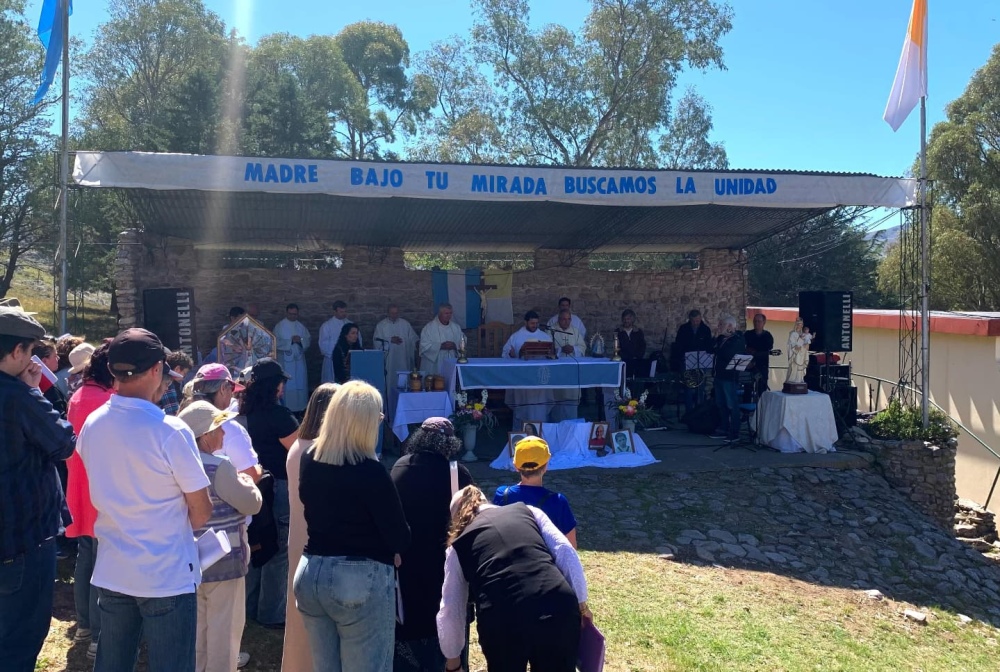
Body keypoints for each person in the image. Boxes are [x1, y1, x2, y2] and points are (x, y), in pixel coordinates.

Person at [77, 328, 213, 672]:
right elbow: (201, 513)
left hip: (114, 568)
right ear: (156, 370)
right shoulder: (171, 431)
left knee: (112, 663)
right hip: (165, 574)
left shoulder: (92, 423)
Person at [293, 380, 411, 672]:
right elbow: (399, 537)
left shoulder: (310, 458)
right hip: (358, 577)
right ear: (366, 423)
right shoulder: (370, 471)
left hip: (311, 570)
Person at [437, 486, 592, 672]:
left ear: (456, 519)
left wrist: (453, 663)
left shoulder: (458, 546)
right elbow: (566, 552)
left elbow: (451, 608)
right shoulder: (529, 511)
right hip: (556, 604)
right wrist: (582, 605)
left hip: (503, 619)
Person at [0, 307, 76, 672]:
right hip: (21, 541)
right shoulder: (17, 396)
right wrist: (34, 391)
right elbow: (62, 443)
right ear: (16, 352)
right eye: (30, 352)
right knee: (19, 639)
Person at [177, 401, 262, 672]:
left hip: (188, 558)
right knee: (224, 633)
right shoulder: (219, 467)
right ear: (204, 436)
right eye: (218, 428)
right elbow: (252, 504)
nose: (224, 434)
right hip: (224, 558)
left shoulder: (173, 465)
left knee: (197, 632)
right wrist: (248, 483)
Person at [390, 417, 474, 672]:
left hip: (408, 563)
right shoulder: (458, 473)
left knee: (410, 625)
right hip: (444, 564)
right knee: (448, 618)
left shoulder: (399, 468)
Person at [282, 383, 339, 672]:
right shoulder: (320, 450)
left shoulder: (298, 446)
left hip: (299, 534)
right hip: (316, 536)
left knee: (299, 610)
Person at [240, 357, 299, 629]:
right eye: (281, 382)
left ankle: (250, 608)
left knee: (256, 544)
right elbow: (298, 451)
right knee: (278, 550)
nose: (283, 387)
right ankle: (271, 613)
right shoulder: (278, 415)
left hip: (251, 485)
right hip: (278, 486)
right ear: (274, 386)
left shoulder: (244, 413)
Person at [65, 340, 114, 660]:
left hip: (78, 486)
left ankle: (84, 623)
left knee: (86, 557)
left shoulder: (79, 396)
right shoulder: (107, 401)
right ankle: (98, 635)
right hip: (99, 488)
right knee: (101, 563)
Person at [493, 437, 577, 548]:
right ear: (546, 466)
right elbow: (571, 547)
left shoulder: (502, 495)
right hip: (544, 564)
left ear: (516, 466)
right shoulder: (558, 501)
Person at [186, 363, 261, 484]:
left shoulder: (182, 420)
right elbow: (251, 475)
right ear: (222, 389)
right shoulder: (229, 428)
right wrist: (260, 469)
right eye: (231, 389)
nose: (232, 394)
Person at [502, 311, 554, 428]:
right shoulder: (516, 336)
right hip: (522, 378)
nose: (534, 325)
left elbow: (552, 355)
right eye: (531, 323)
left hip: (540, 377)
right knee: (522, 408)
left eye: (536, 323)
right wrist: (511, 354)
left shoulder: (545, 337)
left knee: (540, 407)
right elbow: (505, 352)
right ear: (526, 322)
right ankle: (521, 433)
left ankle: (541, 432)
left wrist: (549, 354)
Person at [711, 315, 746, 443]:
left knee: (732, 404)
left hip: (729, 377)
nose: (719, 327)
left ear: (730, 326)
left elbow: (728, 354)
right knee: (721, 404)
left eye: (722, 325)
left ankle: (734, 432)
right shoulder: (721, 338)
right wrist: (715, 337)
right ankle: (724, 428)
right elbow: (710, 349)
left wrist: (718, 348)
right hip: (719, 375)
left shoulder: (737, 339)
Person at [674, 309, 714, 413]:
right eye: (694, 321)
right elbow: (678, 345)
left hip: (701, 362)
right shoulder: (683, 329)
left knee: (701, 388)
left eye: (698, 320)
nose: (696, 323)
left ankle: (699, 412)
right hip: (687, 362)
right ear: (690, 320)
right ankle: (689, 412)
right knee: (688, 387)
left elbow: (709, 346)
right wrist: (683, 356)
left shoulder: (705, 329)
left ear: (700, 318)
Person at [274, 303, 312, 413]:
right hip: (286, 362)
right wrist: (290, 341)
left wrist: (301, 341)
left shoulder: (300, 326)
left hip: (298, 361)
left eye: (295, 314)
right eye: (290, 314)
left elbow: (308, 340)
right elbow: (275, 342)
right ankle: (287, 408)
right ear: (286, 313)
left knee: (300, 382)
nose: (293, 316)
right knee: (288, 384)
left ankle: (301, 408)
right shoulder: (279, 326)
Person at [550, 309, 586, 422]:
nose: (566, 322)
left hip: (572, 371)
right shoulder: (551, 331)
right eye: (563, 319)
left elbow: (583, 347)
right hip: (557, 371)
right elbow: (547, 349)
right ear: (558, 319)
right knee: (556, 401)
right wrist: (561, 350)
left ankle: (571, 424)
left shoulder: (575, 331)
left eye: (568, 319)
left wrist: (573, 349)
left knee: (571, 403)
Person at [319, 301, 360, 383]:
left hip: (349, 361)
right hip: (331, 359)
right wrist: (337, 353)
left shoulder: (350, 324)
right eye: (341, 312)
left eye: (345, 311)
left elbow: (358, 340)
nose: (344, 314)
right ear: (334, 311)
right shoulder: (327, 326)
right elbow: (323, 344)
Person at [418, 303, 464, 376]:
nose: (449, 315)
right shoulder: (429, 328)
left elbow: (463, 340)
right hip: (435, 364)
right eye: (446, 313)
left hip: (451, 360)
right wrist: (440, 346)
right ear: (440, 313)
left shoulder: (456, 327)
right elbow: (423, 345)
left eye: (450, 313)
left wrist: (454, 345)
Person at [373, 304, 418, 375]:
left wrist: (416, 343)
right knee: (390, 377)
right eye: (392, 313)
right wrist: (390, 340)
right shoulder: (381, 326)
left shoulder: (405, 324)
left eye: (396, 313)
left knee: (403, 378)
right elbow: (376, 342)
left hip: (403, 358)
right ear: (387, 313)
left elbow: (413, 338)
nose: (394, 315)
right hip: (389, 361)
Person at [744, 313, 775, 395]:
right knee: (747, 390)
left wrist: (755, 353)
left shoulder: (768, 336)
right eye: (755, 321)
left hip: (762, 367)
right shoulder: (747, 334)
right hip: (749, 366)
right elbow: (743, 349)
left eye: (759, 321)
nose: (756, 323)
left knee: (762, 391)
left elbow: (767, 350)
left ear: (764, 322)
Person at [159, 350, 194, 415]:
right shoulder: (169, 384)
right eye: (184, 373)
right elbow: (173, 412)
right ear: (177, 369)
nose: (184, 377)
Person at [785, 318, 814, 385]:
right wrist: (800, 340)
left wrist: (806, 345)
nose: (799, 326)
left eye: (801, 324)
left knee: (800, 371)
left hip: (802, 355)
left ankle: (800, 380)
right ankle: (792, 381)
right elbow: (791, 345)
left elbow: (806, 344)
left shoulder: (804, 334)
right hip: (795, 355)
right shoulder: (793, 334)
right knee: (794, 369)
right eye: (798, 324)